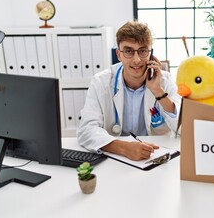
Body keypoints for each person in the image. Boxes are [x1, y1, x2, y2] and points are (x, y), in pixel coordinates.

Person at [77, 20, 181, 161]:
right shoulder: (101, 82)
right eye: (128, 51)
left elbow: (182, 129)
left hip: (156, 156)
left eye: (143, 51)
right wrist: (124, 148)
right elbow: (86, 130)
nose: (137, 59)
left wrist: (157, 91)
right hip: (115, 156)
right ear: (119, 54)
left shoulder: (164, 81)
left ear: (150, 54)